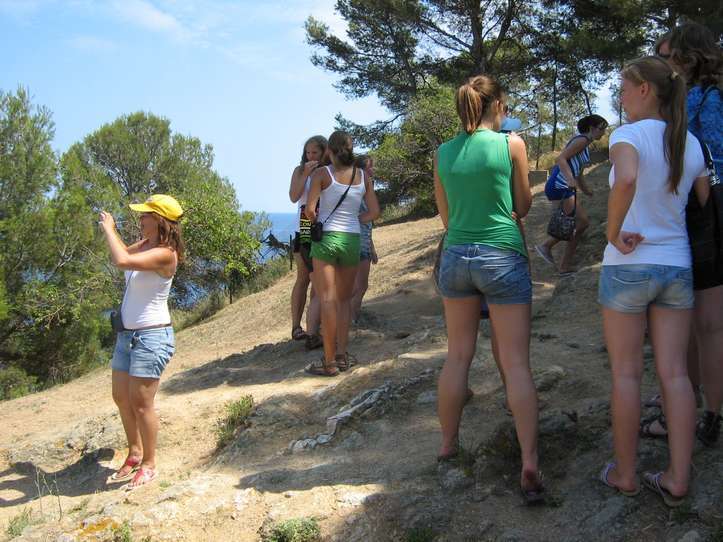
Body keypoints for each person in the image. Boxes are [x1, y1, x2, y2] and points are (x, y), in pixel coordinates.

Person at [597, 56, 708, 507]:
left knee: (626, 373)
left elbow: (625, 179)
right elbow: (703, 200)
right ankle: (678, 478)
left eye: (624, 87)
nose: (620, 96)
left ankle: (625, 474)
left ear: (645, 89)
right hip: (676, 264)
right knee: (676, 374)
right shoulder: (691, 143)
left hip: (628, 264)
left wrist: (611, 232)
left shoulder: (627, 135)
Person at [434, 75, 543, 503]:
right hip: (502, 254)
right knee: (515, 363)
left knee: (457, 356)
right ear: (497, 105)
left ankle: (447, 445)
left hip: (456, 257)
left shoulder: (443, 153)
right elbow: (523, 205)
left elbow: (446, 218)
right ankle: (529, 462)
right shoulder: (511, 145)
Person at [642, 24, 723, 446]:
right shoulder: (715, 92)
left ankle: (686, 409)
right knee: (709, 324)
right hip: (713, 209)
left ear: (686, 56)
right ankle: (708, 412)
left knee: (694, 321)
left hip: (699, 212)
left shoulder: (687, 101)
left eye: (666, 55)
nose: (661, 63)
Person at [99, 194, 185, 489]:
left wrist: (109, 228)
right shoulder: (146, 245)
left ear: (159, 220)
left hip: (151, 337)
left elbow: (121, 260)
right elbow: (124, 253)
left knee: (141, 403)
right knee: (121, 397)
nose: (140, 219)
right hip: (127, 335)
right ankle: (134, 454)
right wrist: (114, 235)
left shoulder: (166, 254)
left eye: (145, 215)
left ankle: (149, 463)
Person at [304, 131, 380, 376]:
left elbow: (310, 211)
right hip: (351, 240)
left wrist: (319, 220)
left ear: (329, 151)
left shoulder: (321, 174)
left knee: (327, 299)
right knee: (345, 301)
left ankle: (329, 363)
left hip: (326, 239)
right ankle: (342, 355)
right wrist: (355, 220)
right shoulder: (362, 176)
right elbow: (375, 212)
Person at [535, 114, 608, 276]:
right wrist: (569, 179)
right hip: (560, 185)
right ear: (591, 128)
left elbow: (579, 172)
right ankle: (547, 248)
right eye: (601, 129)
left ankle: (563, 265)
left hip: (562, 186)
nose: (603, 132)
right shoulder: (582, 140)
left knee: (573, 223)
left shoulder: (585, 145)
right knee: (581, 222)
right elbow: (560, 159)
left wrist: (586, 190)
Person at [288, 136, 325, 346]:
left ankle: (314, 326)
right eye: (308, 153)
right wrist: (306, 173)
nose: (311, 156)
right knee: (304, 277)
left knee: (318, 278)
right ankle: (296, 326)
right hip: (303, 223)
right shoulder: (299, 170)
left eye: (315, 153)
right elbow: (294, 196)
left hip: (322, 223)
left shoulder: (328, 170)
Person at [351, 154, 379, 323]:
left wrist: (372, 248)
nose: (372, 171)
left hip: (364, 243)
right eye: (369, 167)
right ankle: (350, 319)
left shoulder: (366, 188)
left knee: (360, 286)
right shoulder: (356, 190)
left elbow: (369, 222)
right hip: (355, 242)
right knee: (358, 286)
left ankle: (353, 317)